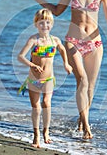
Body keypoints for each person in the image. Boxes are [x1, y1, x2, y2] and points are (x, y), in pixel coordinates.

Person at [26, 0, 107, 139]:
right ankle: (86, 126)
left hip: (95, 43)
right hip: (73, 41)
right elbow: (56, 11)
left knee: (90, 87)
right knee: (82, 81)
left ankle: (82, 117)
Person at [17, 8, 72, 148]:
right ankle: (36, 135)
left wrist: (66, 64)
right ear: (36, 24)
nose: (45, 26)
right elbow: (20, 56)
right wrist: (32, 65)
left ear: (52, 24)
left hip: (48, 79)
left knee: (46, 104)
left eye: (48, 22)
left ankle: (46, 131)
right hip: (33, 79)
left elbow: (63, 49)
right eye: (41, 23)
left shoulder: (55, 40)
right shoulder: (34, 40)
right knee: (36, 107)